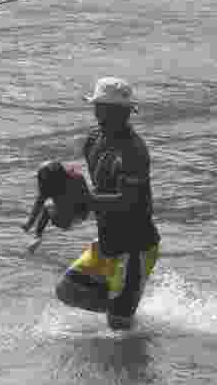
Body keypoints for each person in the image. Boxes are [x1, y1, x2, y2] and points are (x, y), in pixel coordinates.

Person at [54, 77, 162, 330]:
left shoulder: (134, 151)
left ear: (127, 112)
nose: (106, 114)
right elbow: (99, 193)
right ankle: (126, 307)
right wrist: (71, 208)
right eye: (102, 107)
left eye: (115, 110)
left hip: (135, 247)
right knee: (67, 292)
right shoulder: (93, 141)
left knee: (119, 325)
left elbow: (130, 202)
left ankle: (126, 312)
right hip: (107, 242)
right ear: (96, 109)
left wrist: (85, 201)